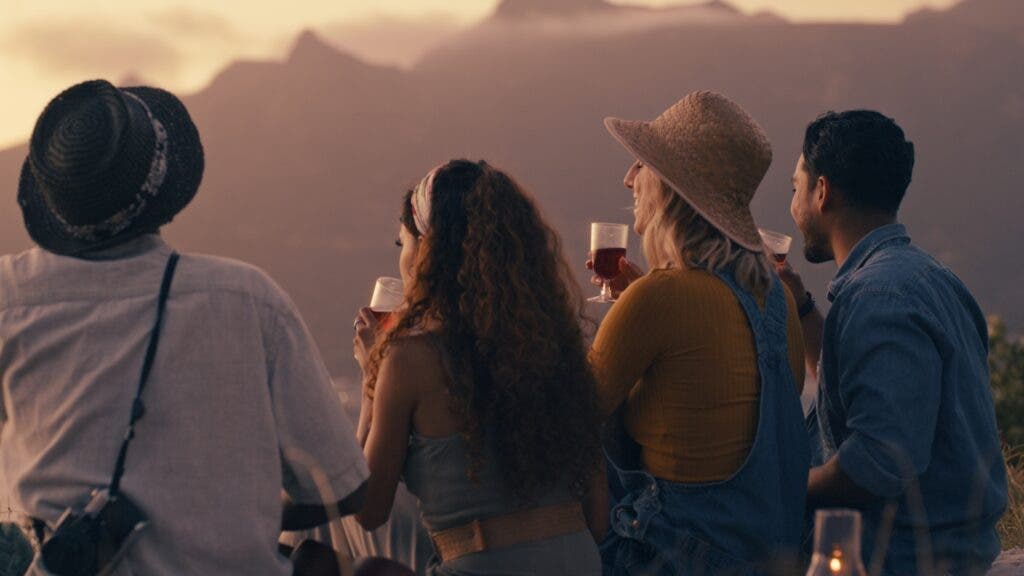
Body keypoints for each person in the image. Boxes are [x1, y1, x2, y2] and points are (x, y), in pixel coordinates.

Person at [0, 79, 368, 575]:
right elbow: (346, 487)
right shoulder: (248, 300)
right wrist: (226, 513)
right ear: (160, 187)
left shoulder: (11, 298)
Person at [590, 91, 809, 574]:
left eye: (641, 165)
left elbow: (569, 416)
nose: (629, 177)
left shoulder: (659, 298)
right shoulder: (778, 299)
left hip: (680, 559)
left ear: (669, 189)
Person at [350, 159, 605, 575]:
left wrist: (371, 383)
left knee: (319, 560)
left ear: (426, 254)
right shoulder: (559, 351)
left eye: (404, 245)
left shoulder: (410, 358)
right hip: (580, 562)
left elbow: (366, 510)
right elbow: (598, 518)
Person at [781, 110, 1007, 574]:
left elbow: (878, 463)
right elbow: (859, 389)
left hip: (902, 560)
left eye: (795, 188)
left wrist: (784, 486)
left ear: (822, 192)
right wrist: (801, 305)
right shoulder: (928, 277)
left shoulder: (878, 297)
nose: (793, 205)